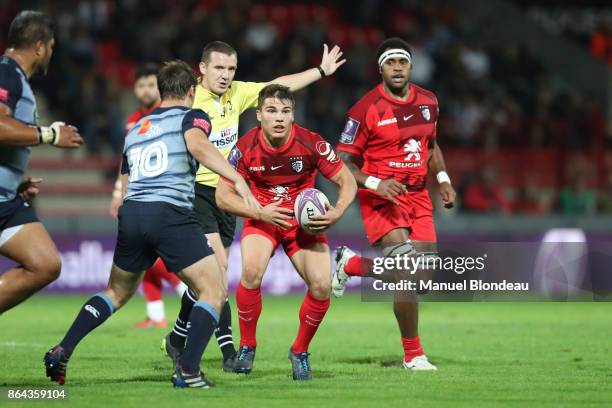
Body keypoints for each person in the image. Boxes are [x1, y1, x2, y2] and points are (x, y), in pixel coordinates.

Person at [44, 60, 258, 388]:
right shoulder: (193, 115)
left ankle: (63, 349)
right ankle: (188, 370)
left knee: (115, 292)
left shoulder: (138, 128)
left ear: (160, 91)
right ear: (191, 91)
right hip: (169, 212)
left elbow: (127, 177)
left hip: (132, 214)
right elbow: (198, 145)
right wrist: (236, 178)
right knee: (213, 290)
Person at [163, 40, 346, 371]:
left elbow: (277, 88)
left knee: (211, 280)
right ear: (201, 68)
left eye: (231, 68)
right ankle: (229, 352)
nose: (225, 75)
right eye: (218, 67)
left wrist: (319, 72)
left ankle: (178, 336)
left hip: (231, 193)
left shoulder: (236, 93)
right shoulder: (189, 97)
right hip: (196, 191)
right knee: (216, 277)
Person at [215, 84, 357, 380]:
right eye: (271, 111)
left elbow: (348, 181)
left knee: (321, 286)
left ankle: (300, 351)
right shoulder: (244, 147)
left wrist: (338, 211)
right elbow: (222, 196)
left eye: (286, 111)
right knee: (251, 272)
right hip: (262, 218)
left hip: (303, 225)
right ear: (258, 115)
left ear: (293, 115)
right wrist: (257, 212)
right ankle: (247, 346)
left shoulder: (311, 143)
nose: (279, 118)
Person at [333, 38, 456, 371]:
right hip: (381, 198)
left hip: (419, 196)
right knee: (406, 274)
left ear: (411, 66)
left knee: (424, 281)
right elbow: (341, 161)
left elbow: (430, 146)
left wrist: (443, 179)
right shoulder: (366, 108)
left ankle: (352, 265)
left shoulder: (429, 102)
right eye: (391, 62)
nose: (398, 67)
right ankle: (413, 354)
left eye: (403, 61)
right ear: (381, 69)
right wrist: (375, 183)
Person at [0, 10, 83, 313]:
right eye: (50, 46)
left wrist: (13, 180)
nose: (51, 53)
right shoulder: (6, 72)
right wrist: (49, 135)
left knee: (45, 264)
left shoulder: (15, 77)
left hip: (6, 198)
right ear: (38, 46)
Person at [108, 63, 187, 328]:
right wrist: (119, 194)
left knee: (154, 257)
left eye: (150, 85)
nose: (145, 90)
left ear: (161, 87)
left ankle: (185, 292)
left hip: (167, 195)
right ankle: (155, 315)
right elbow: (128, 160)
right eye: (140, 85)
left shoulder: (171, 115)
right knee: (146, 257)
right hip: (140, 194)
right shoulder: (133, 121)